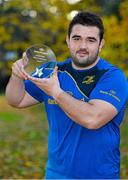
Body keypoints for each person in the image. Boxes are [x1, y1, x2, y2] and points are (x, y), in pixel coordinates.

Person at [5, 11, 128, 179]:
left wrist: (55, 91)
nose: (82, 46)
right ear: (68, 41)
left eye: (91, 40)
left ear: (101, 44)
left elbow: (93, 119)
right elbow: (16, 100)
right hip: (56, 174)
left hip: (99, 175)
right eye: (77, 38)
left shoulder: (112, 76)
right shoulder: (53, 71)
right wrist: (16, 77)